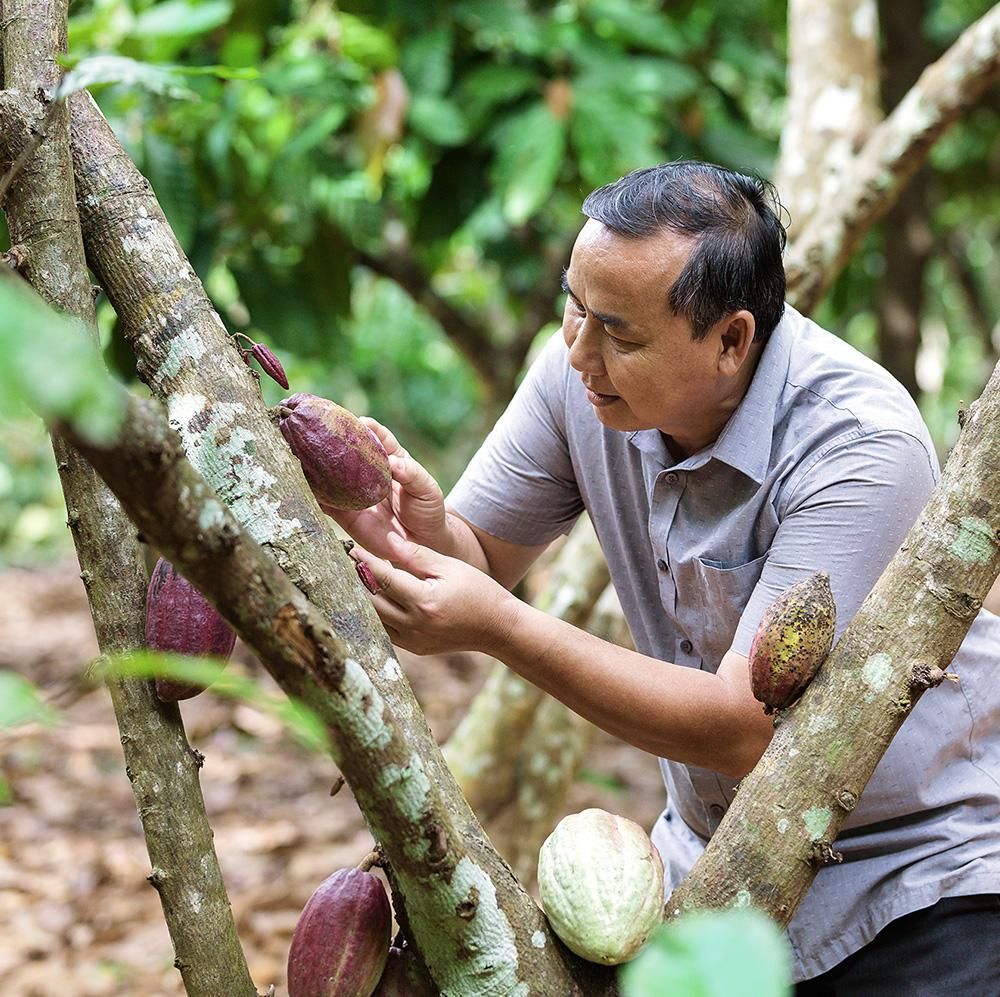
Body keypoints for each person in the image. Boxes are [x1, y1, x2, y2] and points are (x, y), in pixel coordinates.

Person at [332, 161, 1000, 992]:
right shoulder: (582, 373)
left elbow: (740, 726)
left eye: (619, 333)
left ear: (731, 341)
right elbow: (475, 560)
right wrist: (415, 530)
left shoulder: (859, 445)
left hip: (915, 876)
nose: (577, 351)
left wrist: (498, 625)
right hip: (714, 868)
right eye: (573, 309)